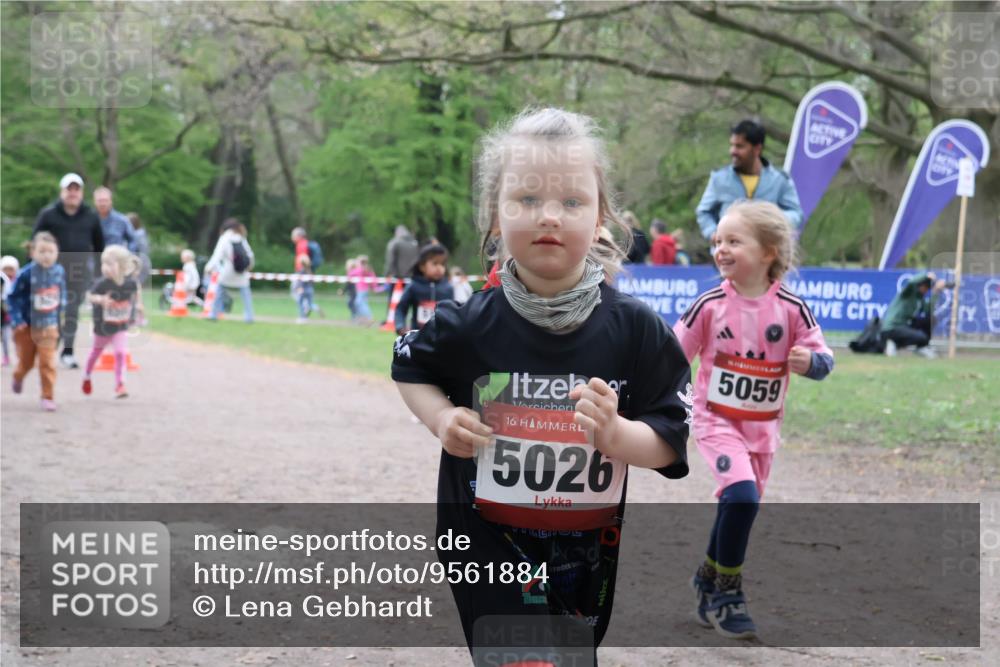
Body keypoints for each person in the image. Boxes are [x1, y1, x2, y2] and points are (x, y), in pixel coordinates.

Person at [391, 107, 692, 662]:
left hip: (584, 550)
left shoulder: (636, 330)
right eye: (527, 200)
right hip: (484, 541)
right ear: (495, 216)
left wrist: (617, 436)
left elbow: (671, 436)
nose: (548, 216)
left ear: (601, 215)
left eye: (571, 202)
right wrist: (440, 418)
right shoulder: (468, 323)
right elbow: (409, 364)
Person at [673, 200, 833, 640]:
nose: (720, 249)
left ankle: (706, 576)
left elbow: (825, 356)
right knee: (742, 498)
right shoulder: (708, 305)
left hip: (762, 430)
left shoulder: (791, 307)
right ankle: (728, 592)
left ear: (768, 252)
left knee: (737, 503)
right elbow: (671, 356)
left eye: (733, 241)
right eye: (717, 241)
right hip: (715, 421)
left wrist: (809, 362)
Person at [32, 172, 104, 369]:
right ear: (62, 191)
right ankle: (51, 345)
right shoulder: (48, 214)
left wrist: (99, 274)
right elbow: (35, 241)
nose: (73, 193)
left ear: (81, 193)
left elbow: (99, 246)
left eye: (76, 189)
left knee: (72, 312)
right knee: (52, 310)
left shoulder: (90, 216)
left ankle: (68, 351)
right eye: (69, 189)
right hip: (51, 271)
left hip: (79, 271)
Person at [695, 119, 803, 244]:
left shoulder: (780, 180)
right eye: (732, 145)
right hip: (727, 258)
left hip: (767, 254)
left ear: (757, 149)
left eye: (739, 146)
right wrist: (713, 234)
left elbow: (796, 214)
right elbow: (703, 212)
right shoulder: (719, 179)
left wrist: (772, 220)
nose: (733, 151)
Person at [8, 232, 66, 411]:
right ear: (33, 253)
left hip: (48, 325)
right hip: (26, 326)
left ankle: (47, 396)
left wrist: (61, 306)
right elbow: (13, 297)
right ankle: (18, 376)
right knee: (26, 362)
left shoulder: (59, 271)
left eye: (50, 251)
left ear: (57, 253)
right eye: (42, 251)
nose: (46, 255)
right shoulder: (26, 274)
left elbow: (61, 292)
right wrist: (17, 320)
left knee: (48, 362)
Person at [82, 246, 142, 399]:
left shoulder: (130, 283)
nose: (105, 268)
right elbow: (89, 296)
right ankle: (87, 376)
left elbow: (136, 288)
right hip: (102, 327)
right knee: (95, 354)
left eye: (110, 264)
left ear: (122, 266)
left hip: (120, 326)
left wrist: (139, 305)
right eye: (103, 264)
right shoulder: (102, 283)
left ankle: (120, 384)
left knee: (121, 353)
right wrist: (101, 300)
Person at [880, 272, 946, 359]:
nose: (926, 290)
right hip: (892, 328)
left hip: (904, 326)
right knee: (921, 337)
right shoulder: (908, 293)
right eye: (925, 287)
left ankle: (922, 347)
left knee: (930, 319)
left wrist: (936, 291)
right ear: (920, 285)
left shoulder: (919, 298)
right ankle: (893, 343)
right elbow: (911, 282)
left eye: (928, 288)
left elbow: (928, 310)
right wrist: (925, 275)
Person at [393, 243, 453, 334]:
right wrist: (400, 327)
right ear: (422, 266)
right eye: (435, 263)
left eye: (442, 264)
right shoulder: (413, 286)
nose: (439, 268)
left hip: (442, 339)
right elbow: (401, 309)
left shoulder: (448, 288)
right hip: (418, 338)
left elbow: (453, 313)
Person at [204, 219, 255, 323]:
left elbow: (217, 255)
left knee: (219, 292)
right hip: (241, 271)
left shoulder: (225, 238)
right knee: (246, 295)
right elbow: (250, 254)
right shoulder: (241, 238)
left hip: (228, 271)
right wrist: (250, 266)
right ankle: (249, 317)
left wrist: (208, 267)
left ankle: (214, 314)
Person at [1, 255, 21, 367]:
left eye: (11, 269)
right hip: (4, 316)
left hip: (15, 316)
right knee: (4, 338)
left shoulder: (19, 282)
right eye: (5, 269)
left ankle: (19, 356)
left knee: (17, 337)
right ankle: (5, 356)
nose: (8, 272)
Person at [346, 255, 377, 325]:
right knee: (361, 303)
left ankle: (369, 318)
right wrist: (373, 287)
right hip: (365, 289)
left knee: (359, 303)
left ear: (360, 262)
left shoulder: (360, 269)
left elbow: (350, 274)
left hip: (361, 290)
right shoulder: (367, 268)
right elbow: (373, 277)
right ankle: (364, 319)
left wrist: (350, 268)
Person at [127, 212, 151, 285]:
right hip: (134, 264)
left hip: (139, 265)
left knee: (134, 287)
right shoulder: (132, 235)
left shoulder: (139, 235)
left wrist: (137, 267)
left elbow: (143, 251)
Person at [293, 255, 315, 324]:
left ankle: (302, 317)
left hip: (303, 289)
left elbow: (300, 280)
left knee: (300, 303)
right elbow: (312, 281)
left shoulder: (302, 271)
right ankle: (305, 316)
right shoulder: (310, 270)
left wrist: (299, 288)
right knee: (310, 304)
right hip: (310, 289)